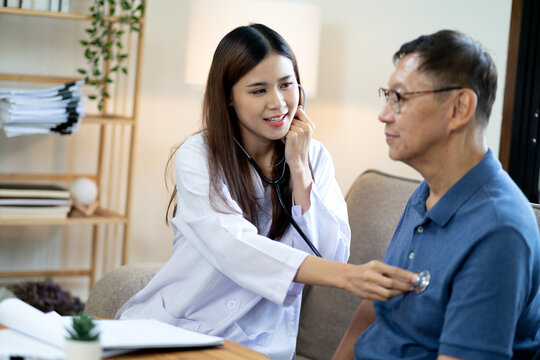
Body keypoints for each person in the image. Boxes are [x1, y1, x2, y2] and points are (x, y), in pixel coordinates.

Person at [116, 24, 417, 359]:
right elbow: (233, 245)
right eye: (258, 90)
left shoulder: (314, 156)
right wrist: (350, 277)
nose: (278, 103)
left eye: (286, 85)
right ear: (228, 98)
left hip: (260, 346)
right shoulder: (198, 155)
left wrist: (300, 168)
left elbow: (330, 256)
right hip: (180, 331)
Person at [333, 29, 540, 360]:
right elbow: (375, 308)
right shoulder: (426, 193)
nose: (384, 114)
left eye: (401, 98)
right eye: (387, 95)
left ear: (459, 108)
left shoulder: (500, 231)